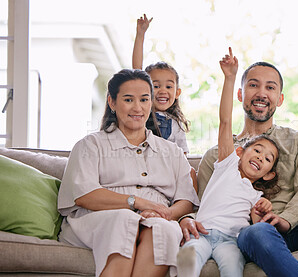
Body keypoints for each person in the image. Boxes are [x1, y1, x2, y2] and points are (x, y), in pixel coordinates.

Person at [179, 59, 298, 276]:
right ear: (240, 94)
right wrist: (185, 219)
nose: (261, 93)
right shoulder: (220, 156)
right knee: (258, 231)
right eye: (253, 85)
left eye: (270, 87)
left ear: (279, 99)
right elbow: (205, 204)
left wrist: (285, 219)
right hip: (252, 235)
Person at [57, 69, 200, 277]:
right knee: (124, 219)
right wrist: (139, 203)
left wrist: (165, 213)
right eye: (128, 100)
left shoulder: (172, 152)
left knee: (166, 229)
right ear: (112, 102)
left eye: (144, 99)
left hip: (156, 217)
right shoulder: (91, 145)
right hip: (101, 218)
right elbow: (84, 195)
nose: (137, 107)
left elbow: (186, 199)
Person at [177, 48, 280, 277]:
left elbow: (255, 226)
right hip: (201, 233)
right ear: (240, 152)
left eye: (267, 160)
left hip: (231, 242)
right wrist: (230, 78)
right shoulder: (226, 165)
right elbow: (225, 122)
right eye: (257, 151)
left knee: (234, 269)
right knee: (185, 261)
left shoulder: (257, 197)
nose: (259, 158)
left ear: (268, 174)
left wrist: (263, 211)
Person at [132, 14, 189, 154]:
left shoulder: (176, 125)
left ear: (177, 93)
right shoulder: (140, 115)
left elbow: (184, 156)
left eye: (168, 87)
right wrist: (140, 35)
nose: (163, 91)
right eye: (156, 86)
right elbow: (136, 71)